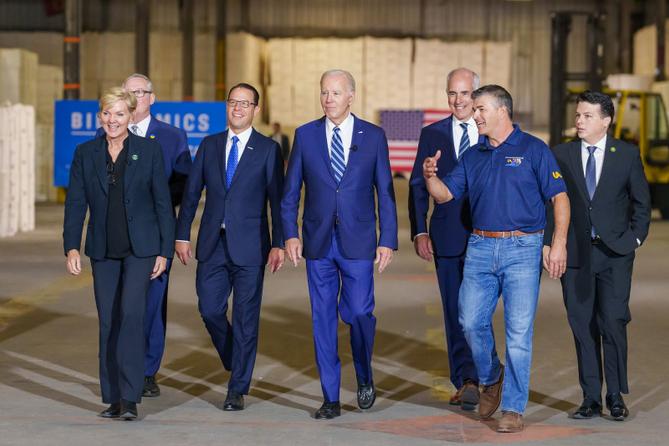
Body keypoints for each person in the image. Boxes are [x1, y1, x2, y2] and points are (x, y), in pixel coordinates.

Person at [423, 85, 570, 433]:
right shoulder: (473, 156)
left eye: (480, 109)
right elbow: (445, 195)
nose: (474, 115)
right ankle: (492, 376)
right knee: (469, 320)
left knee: (518, 333)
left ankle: (514, 408)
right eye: (474, 109)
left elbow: (560, 199)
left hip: (523, 249)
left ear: (502, 111)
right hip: (481, 247)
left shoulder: (534, 150)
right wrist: (431, 177)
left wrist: (558, 243)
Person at [282, 69, 398, 420]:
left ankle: (363, 374)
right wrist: (290, 233)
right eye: (323, 93)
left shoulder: (374, 136)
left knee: (360, 313)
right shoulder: (305, 135)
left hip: (359, 241)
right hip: (317, 243)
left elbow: (386, 193)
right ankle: (330, 397)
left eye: (335, 93)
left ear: (351, 96)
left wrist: (387, 239)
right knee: (322, 319)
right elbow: (290, 193)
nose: (328, 99)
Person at [63, 87, 175, 420]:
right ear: (101, 116)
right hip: (103, 249)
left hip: (141, 249)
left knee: (131, 315)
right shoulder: (86, 153)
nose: (113, 120)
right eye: (107, 114)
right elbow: (75, 204)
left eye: (119, 114)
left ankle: (130, 398)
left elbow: (162, 204)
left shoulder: (148, 151)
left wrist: (164, 250)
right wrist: (71, 245)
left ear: (130, 116)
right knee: (108, 321)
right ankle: (112, 397)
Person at [175, 83, 284, 411]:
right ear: (227, 106)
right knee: (209, 308)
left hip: (251, 246)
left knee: (247, 316)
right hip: (212, 244)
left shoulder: (267, 150)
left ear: (256, 110)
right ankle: (234, 356)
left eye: (245, 103)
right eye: (233, 102)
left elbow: (277, 202)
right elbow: (192, 193)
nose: (238, 108)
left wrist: (279, 242)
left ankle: (237, 387)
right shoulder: (209, 145)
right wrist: (182, 235)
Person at [545, 91, 651, 421]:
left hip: (615, 255)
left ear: (606, 121)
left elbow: (642, 204)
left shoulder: (627, 155)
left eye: (587, 116)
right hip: (575, 255)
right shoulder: (560, 154)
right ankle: (590, 397)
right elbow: (549, 203)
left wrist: (633, 238)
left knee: (613, 322)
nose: (579, 121)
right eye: (578, 115)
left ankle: (615, 396)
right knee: (583, 325)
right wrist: (551, 242)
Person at [113, 73, 192, 398]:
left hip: (156, 231)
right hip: (116, 233)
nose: (135, 98)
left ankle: (147, 371)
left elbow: (184, 183)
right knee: (119, 302)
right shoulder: (108, 131)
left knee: (152, 303)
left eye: (141, 93)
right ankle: (121, 366)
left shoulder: (172, 137)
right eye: (129, 93)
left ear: (152, 97)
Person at [408, 67, 480, 410]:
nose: (458, 100)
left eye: (465, 93)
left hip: (487, 237)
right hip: (447, 236)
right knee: (454, 311)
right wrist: (420, 229)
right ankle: (466, 379)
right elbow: (417, 185)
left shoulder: (489, 130)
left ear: (476, 96)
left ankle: (487, 374)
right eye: (452, 93)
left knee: (476, 312)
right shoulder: (432, 134)